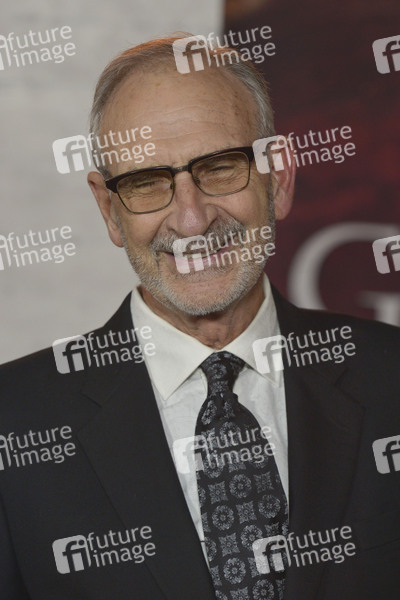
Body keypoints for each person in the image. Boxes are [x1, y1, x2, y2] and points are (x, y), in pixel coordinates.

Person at [1, 35, 399, 600]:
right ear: (108, 210)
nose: (191, 220)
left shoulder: (390, 379)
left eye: (220, 167)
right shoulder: (13, 422)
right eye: (146, 183)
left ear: (279, 177)